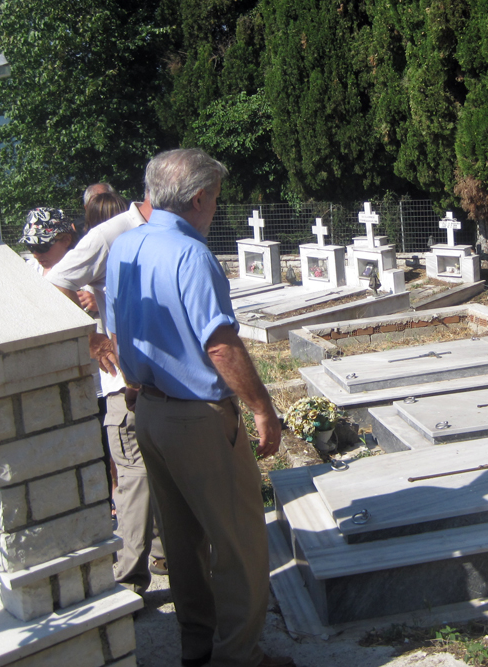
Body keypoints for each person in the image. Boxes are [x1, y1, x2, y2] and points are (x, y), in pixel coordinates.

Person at [105, 149, 291, 667]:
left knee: (181, 542)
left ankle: (198, 646)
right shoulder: (191, 254)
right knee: (240, 544)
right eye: (215, 199)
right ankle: (237, 657)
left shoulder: (125, 246)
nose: (215, 209)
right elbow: (220, 346)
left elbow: (117, 329)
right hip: (197, 417)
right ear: (199, 198)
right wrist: (261, 408)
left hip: (148, 410)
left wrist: (136, 384)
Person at [43, 191, 167, 594]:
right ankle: (130, 579)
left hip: (162, 380)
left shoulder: (163, 229)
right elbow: (53, 283)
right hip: (124, 384)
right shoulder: (109, 235)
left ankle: (163, 553)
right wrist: (92, 339)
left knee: (160, 470)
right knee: (135, 477)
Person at [20, 208, 76, 274]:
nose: (35, 255)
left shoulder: (79, 273)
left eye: (42, 247)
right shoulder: (30, 268)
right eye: (30, 247)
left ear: (66, 240)